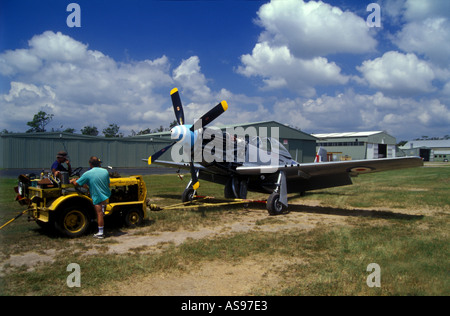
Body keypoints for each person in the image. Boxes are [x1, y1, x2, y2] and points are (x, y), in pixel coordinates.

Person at [70, 156, 111, 239]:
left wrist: (73, 181)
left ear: (90, 164)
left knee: (99, 213)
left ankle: (100, 232)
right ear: (99, 163)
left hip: (97, 195)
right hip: (105, 195)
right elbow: (108, 184)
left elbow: (77, 184)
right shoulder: (105, 171)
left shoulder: (87, 173)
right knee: (101, 212)